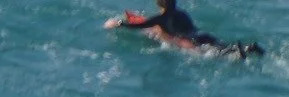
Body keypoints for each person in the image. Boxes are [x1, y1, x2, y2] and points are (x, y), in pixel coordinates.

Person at [107, 0, 262, 56]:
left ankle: (237, 52)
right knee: (221, 45)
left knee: (216, 54)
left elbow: (139, 26)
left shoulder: (160, 18)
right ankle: (247, 48)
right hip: (202, 34)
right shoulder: (182, 13)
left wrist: (119, 23)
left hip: (191, 41)